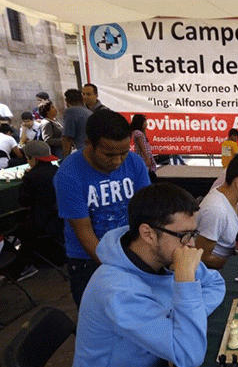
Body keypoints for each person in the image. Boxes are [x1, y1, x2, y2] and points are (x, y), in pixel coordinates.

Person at [71, 183, 226, 367]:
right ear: (148, 234)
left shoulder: (168, 254)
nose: (191, 245)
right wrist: (185, 282)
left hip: (154, 364)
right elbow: (189, 355)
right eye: (184, 235)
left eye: (193, 234)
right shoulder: (117, 291)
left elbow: (215, 282)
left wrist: (180, 324)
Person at [54, 109, 151, 307]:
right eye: (109, 155)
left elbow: (147, 210)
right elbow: (85, 233)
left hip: (131, 250)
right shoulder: (69, 175)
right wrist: (121, 269)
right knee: (99, 320)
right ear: (89, 143)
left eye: (123, 153)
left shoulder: (134, 163)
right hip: (88, 260)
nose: (117, 161)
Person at [195, 152, 238, 269]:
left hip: (232, 257)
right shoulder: (216, 211)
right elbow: (202, 256)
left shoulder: (230, 196)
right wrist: (237, 265)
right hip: (219, 271)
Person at [18, 141, 64, 267]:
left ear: (33, 158)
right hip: (61, 218)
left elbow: (24, 201)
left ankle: (26, 263)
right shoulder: (58, 171)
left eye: (28, 158)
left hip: (41, 222)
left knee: (17, 226)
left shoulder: (31, 177)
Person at [62, 88, 93, 157]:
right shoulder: (89, 111)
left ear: (67, 101)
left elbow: (67, 138)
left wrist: (65, 159)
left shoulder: (70, 111)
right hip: (92, 150)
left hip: (82, 152)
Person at [131, 114, 157, 182]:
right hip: (143, 157)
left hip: (146, 156)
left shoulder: (141, 133)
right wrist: (146, 158)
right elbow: (142, 147)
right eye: (145, 122)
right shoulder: (138, 133)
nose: (147, 124)